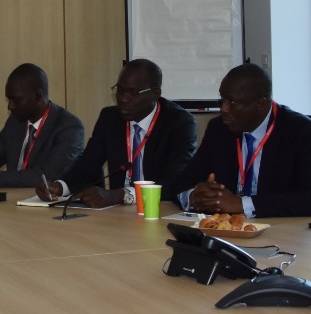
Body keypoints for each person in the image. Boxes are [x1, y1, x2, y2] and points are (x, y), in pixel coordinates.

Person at [169, 63, 311, 218]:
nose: (223, 109)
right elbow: (183, 182)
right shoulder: (219, 129)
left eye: (231, 102)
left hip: (281, 232)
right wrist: (195, 197)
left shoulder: (301, 132)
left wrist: (241, 204)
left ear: (260, 103)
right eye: (222, 99)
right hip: (229, 230)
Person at [36, 59, 197, 208]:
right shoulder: (110, 118)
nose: (123, 99)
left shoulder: (179, 123)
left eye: (133, 93)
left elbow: (173, 181)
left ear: (155, 94)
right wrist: (59, 187)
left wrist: (122, 195)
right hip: (119, 214)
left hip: (159, 211)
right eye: (120, 90)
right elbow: (87, 167)